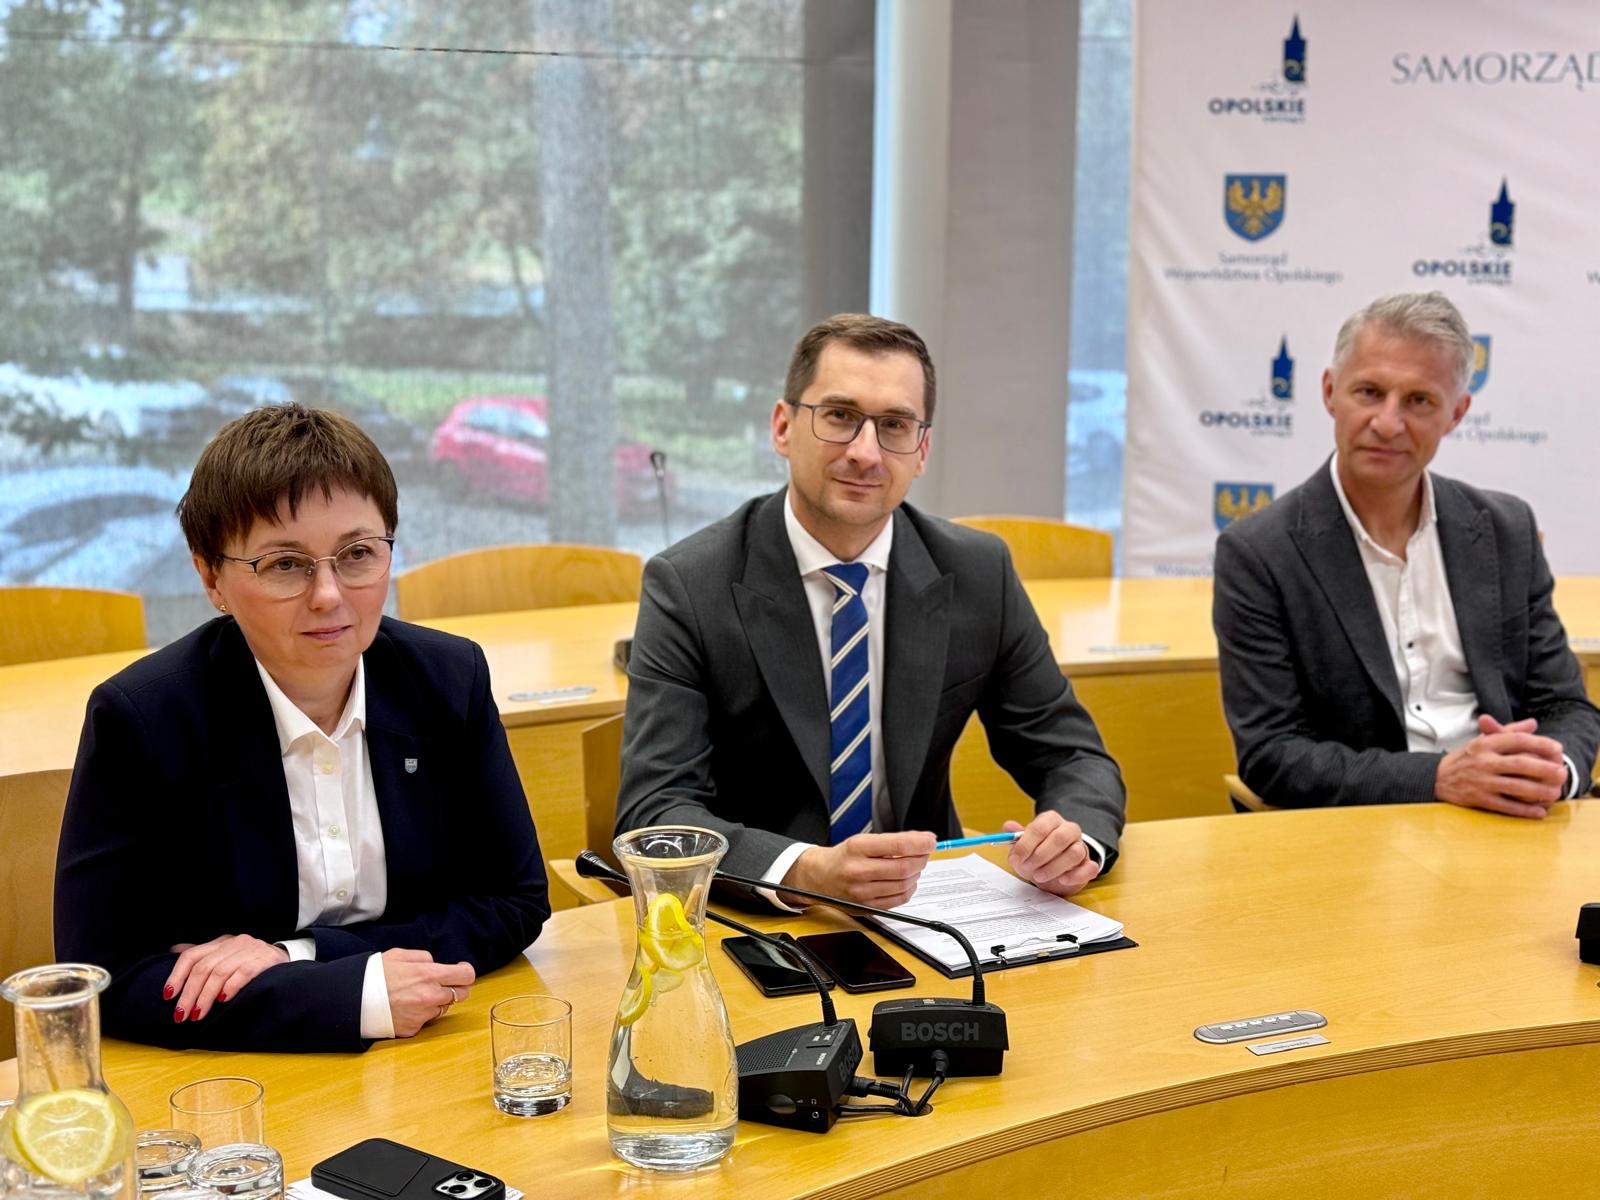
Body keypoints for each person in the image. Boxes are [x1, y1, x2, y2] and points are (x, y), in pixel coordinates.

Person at [55, 405, 550, 1052]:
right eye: (285, 564)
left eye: (358, 554)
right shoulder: (144, 719)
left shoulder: (448, 679)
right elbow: (102, 978)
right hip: (229, 1081)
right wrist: (356, 996)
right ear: (211, 577)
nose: (328, 595)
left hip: (439, 1042)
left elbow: (515, 901)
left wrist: (298, 954)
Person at [616, 313, 1126, 909]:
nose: (866, 452)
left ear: (922, 450)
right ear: (782, 427)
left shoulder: (978, 571)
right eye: (839, 416)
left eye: (894, 425)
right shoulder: (689, 584)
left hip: (929, 909)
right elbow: (656, 809)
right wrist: (807, 872)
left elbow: (1073, 756)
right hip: (761, 921)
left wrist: (1076, 841)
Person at [1213, 291, 1600, 812]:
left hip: (1514, 817)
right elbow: (1272, 754)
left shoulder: (1506, 529)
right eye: (1369, 392)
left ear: (1457, 413)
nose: (1388, 423)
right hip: (1366, 829)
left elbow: (1566, 706)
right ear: (1330, 392)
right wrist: (1441, 778)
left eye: (1419, 401)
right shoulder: (1258, 552)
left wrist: (1551, 774)